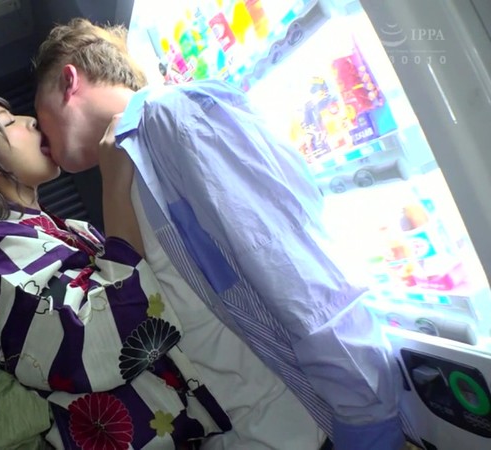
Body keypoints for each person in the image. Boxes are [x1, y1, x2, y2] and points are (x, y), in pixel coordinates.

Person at [32, 18, 411, 450]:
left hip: (315, 427)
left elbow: (293, 271)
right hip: (263, 432)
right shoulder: (131, 161)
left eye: (39, 117)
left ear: (70, 81)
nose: (40, 136)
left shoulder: (171, 117)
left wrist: (365, 417)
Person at [0, 91, 234, 449]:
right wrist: (114, 183)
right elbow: (97, 333)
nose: (30, 121)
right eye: (8, 122)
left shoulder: (65, 229)